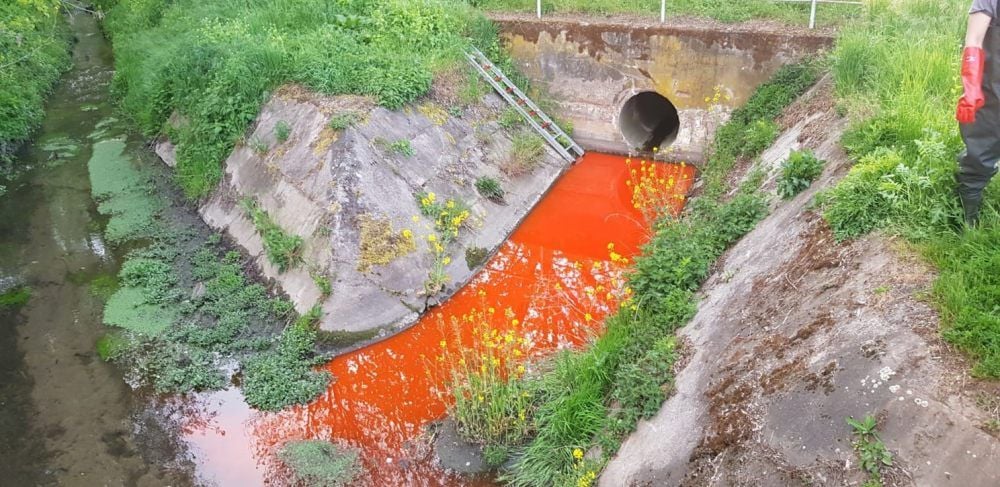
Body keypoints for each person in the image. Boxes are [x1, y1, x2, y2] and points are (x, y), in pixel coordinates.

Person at [956, 1, 1000, 226]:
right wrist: (971, 87)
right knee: (982, 151)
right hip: (994, 92)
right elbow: (974, 40)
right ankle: (967, 219)